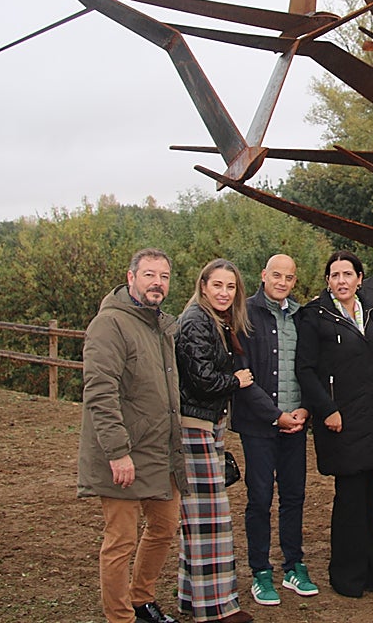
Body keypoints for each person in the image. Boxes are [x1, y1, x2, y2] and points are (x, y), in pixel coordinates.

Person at [77, 248, 187, 623]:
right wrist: (117, 452)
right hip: (122, 452)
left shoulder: (160, 326)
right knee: (121, 540)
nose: (158, 283)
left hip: (158, 450)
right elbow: (99, 391)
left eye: (164, 277)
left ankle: (141, 600)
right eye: (149, 275)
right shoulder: (109, 324)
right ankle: (120, 616)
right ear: (131, 278)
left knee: (164, 527)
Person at [296, 250, 373, 598]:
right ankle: (346, 577)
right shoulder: (315, 316)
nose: (342, 280)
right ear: (328, 280)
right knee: (350, 498)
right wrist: (326, 409)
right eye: (335, 275)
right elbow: (305, 369)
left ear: (359, 278)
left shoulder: (372, 312)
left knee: (366, 495)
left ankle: (371, 573)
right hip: (341, 420)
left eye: (348, 274)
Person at [231, 254, 319, 606]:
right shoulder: (244, 313)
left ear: (295, 281)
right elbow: (242, 374)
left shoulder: (302, 316)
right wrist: (274, 416)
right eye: (277, 275)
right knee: (260, 498)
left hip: (296, 423)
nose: (282, 282)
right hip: (259, 425)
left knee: (294, 496)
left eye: (289, 277)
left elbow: (311, 368)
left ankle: (293, 565)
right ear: (264, 275)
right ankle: (260, 571)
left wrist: (306, 409)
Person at [174, 259, 256, 623]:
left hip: (206, 423)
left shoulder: (214, 321)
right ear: (203, 286)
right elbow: (202, 379)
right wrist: (237, 381)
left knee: (200, 518)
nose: (224, 293)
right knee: (210, 518)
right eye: (218, 285)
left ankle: (193, 601)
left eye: (231, 287)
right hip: (194, 425)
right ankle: (216, 610)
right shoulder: (196, 321)